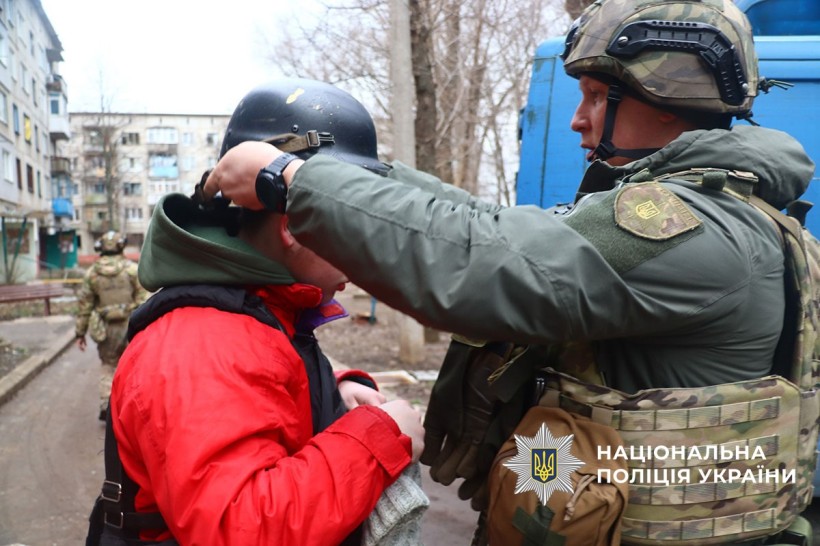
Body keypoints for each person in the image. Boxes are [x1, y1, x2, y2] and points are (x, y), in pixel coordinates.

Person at [201, 1, 820, 544]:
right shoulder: (721, 214)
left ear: (667, 100)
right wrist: (359, 175)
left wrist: (290, 179)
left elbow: (482, 261)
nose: (579, 118)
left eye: (600, 97)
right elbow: (487, 222)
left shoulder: (692, 232)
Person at [85, 78, 426, 546]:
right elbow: (239, 527)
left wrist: (337, 388)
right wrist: (381, 437)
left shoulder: (254, 309)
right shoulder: (203, 343)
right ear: (297, 225)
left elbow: (256, 388)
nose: (366, 246)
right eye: (355, 220)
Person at [75, 230, 148, 421]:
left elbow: (85, 305)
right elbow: (144, 300)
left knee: (108, 365)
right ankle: (133, 407)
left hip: (105, 328)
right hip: (130, 326)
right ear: (121, 246)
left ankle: (107, 404)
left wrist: (80, 333)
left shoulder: (92, 274)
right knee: (132, 365)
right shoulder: (132, 270)